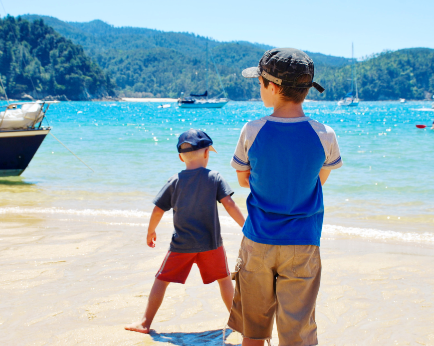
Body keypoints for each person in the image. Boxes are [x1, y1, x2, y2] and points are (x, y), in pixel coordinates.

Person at [227, 48, 343, 346]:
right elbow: (319, 179)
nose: (259, 88)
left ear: (274, 87)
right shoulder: (325, 134)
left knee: (253, 332)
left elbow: (243, 180)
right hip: (303, 243)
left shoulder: (252, 130)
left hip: (258, 241)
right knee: (298, 333)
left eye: (260, 82)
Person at [125, 129, 246, 334]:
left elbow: (158, 209)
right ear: (207, 153)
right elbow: (229, 204)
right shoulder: (214, 177)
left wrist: (150, 231)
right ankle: (240, 323)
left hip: (182, 245)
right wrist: (247, 226)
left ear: (181, 157)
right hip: (211, 244)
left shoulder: (175, 181)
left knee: (161, 280)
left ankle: (145, 323)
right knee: (224, 280)